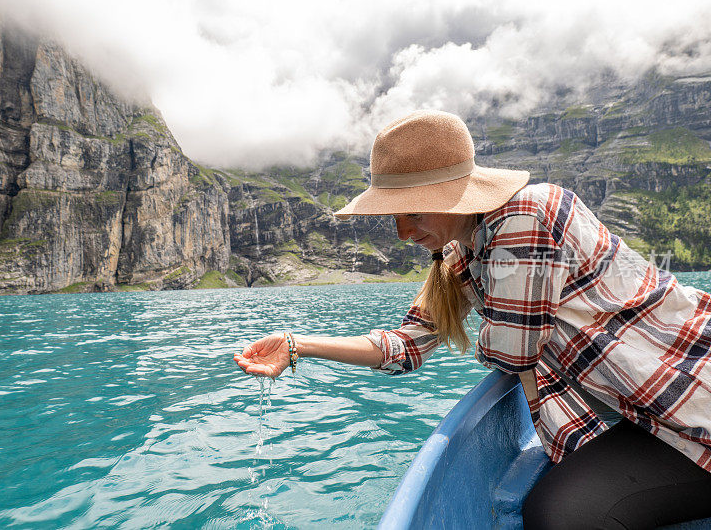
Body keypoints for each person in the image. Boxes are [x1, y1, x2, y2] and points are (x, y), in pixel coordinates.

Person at [233, 110, 711, 528]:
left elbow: (513, 348)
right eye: (393, 216)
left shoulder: (527, 212)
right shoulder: (458, 257)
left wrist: (477, 326)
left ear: (453, 194)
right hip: (646, 411)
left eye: (412, 212)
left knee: (562, 514)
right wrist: (298, 345)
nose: (401, 233)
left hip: (692, 403)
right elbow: (407, 346)